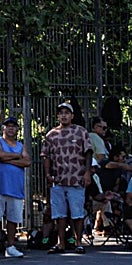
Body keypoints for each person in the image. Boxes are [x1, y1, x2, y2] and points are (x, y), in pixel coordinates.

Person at [41, 101, 94, 254]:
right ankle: (61, 243)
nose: (63, 116)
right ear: (57, 116)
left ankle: (78, 242)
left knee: (77, 213)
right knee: (59, 214)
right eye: (61, 113)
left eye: (67, 113)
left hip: (76, 178)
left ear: (72, 115)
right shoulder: (51, 134)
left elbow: (88, 152)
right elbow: (46, 156)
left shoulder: (80, 131)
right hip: (58, 179)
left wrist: (87, 172)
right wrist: (47, 174)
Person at [0, 116, 29, 258]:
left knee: (13, 219)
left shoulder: (21, 145)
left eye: (13, 126)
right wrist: (17, 156)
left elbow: (27, 161)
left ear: (17, 129)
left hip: (15, 188)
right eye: (8, 126)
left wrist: (9, 160)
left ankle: (10, 246)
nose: (10, 128)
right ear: (3, 128)